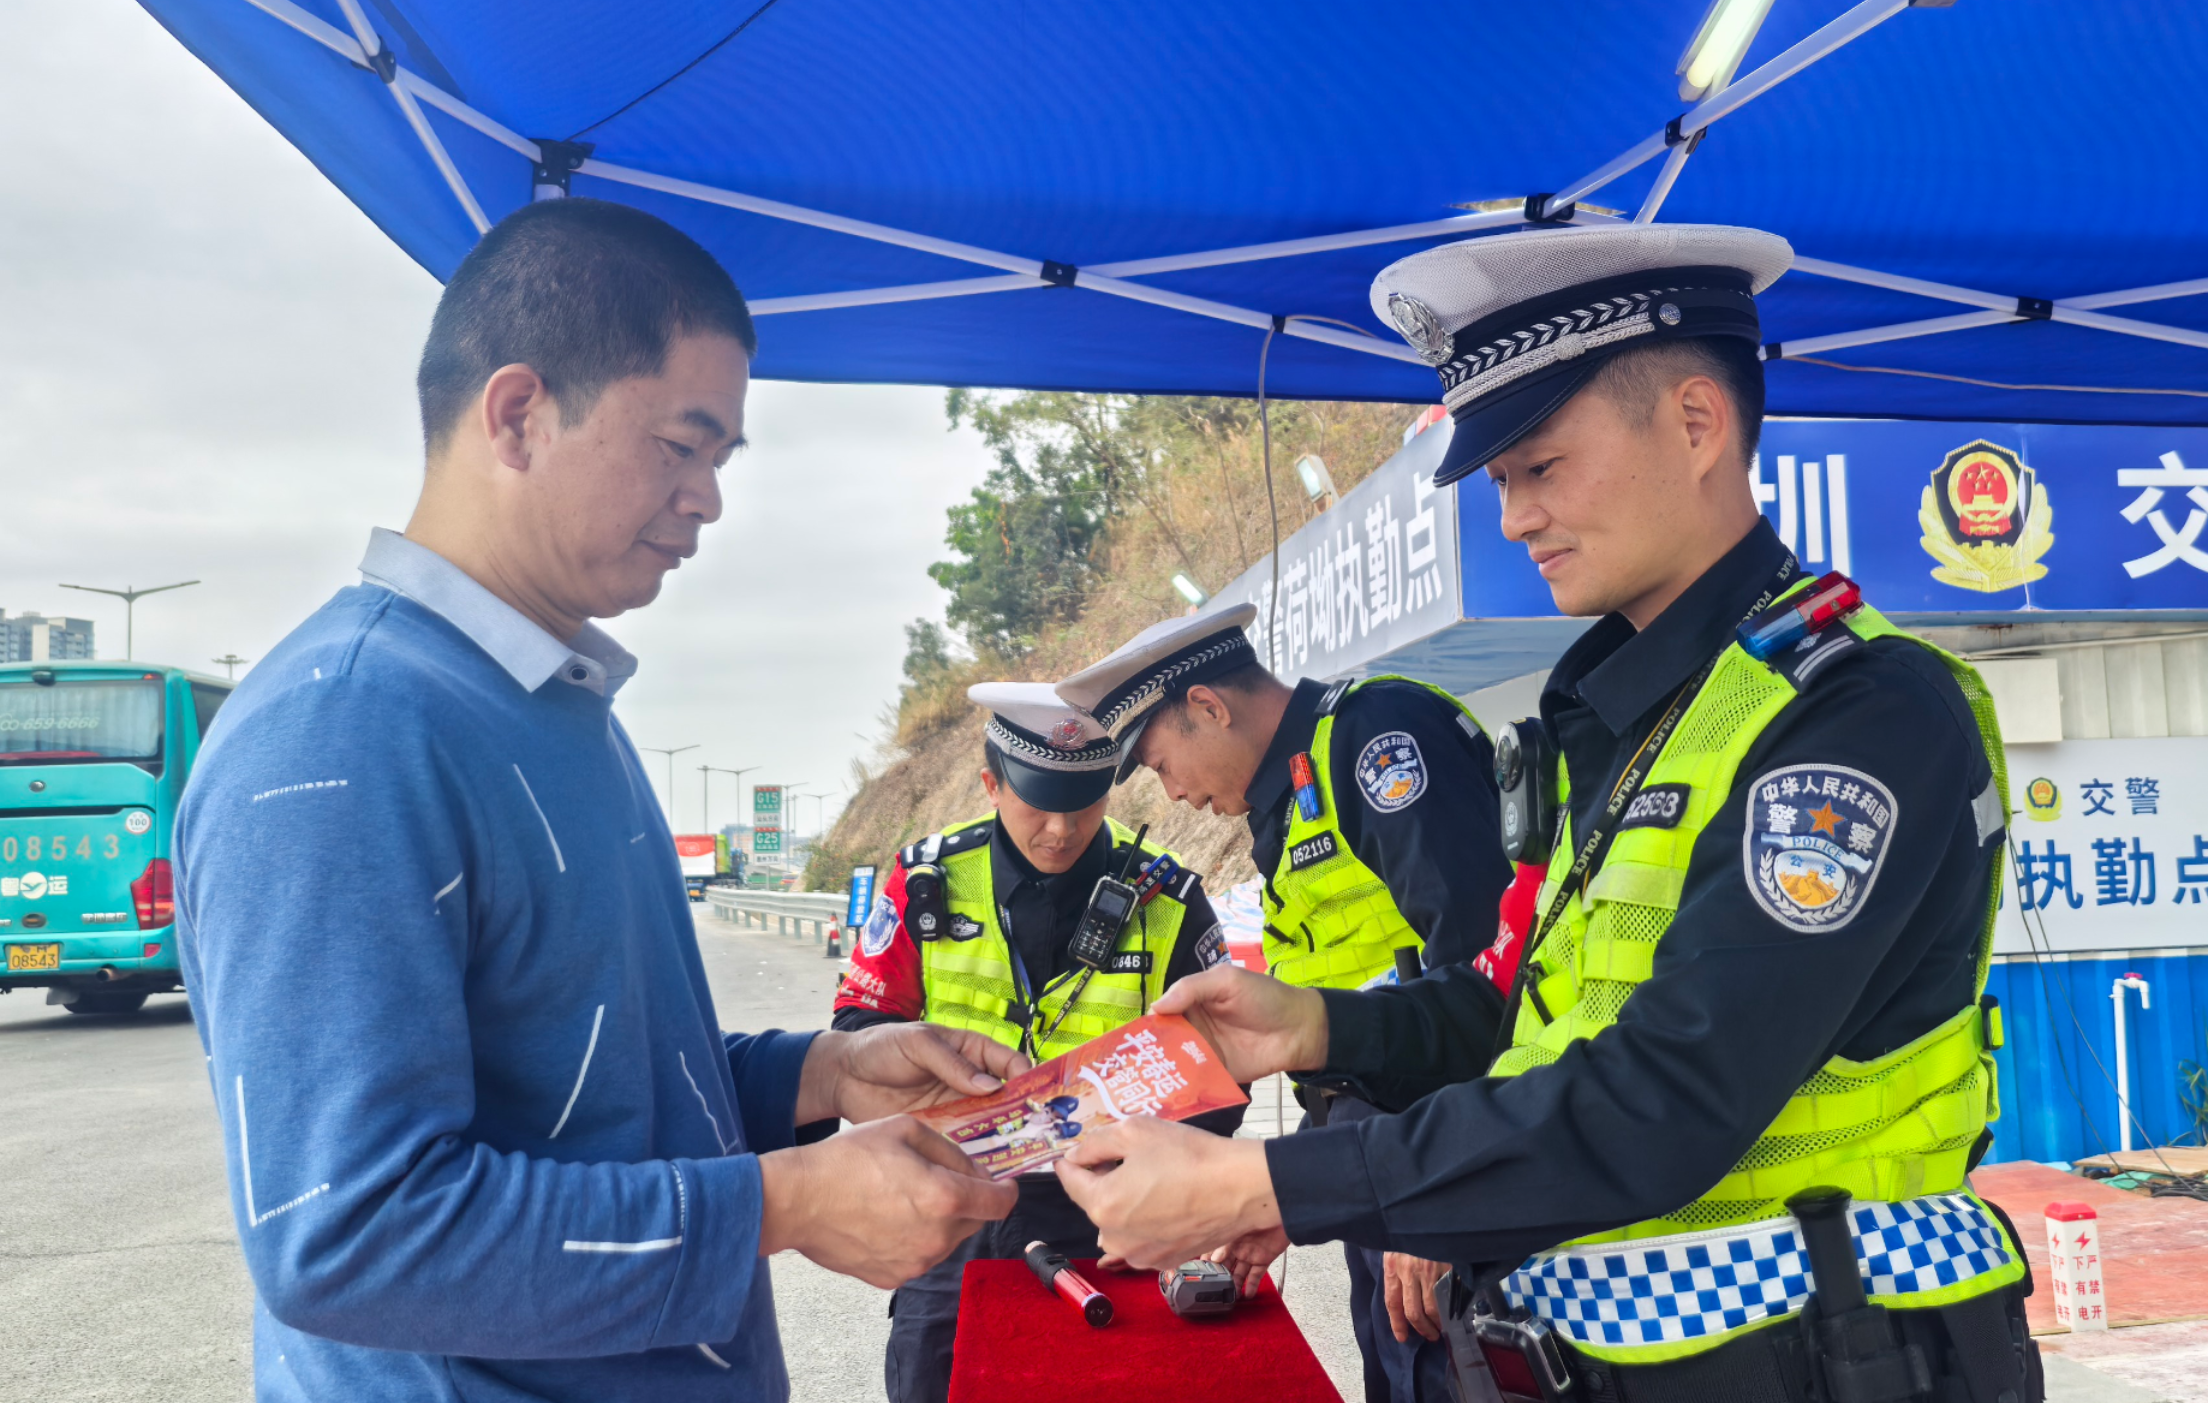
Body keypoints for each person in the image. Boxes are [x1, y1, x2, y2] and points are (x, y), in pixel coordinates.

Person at [1059, 223, 2041, 1403]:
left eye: (1540, 465)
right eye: (1503, 481)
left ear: (1695, 423)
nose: (1516, 517)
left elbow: (1668, 1091)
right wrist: (1315, 1029)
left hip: (1823, 1355)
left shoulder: (1859, 716)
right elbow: (1539, 1013)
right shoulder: (1639, 711)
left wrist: (1269, 1182)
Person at [174, 198, 1022, 1403]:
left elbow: (591, 1084)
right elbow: (350, 1231)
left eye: (721, 461)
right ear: (518, 413)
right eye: (681, 445)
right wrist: (782, 1203)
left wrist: (819, 1074)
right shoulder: (342, 735)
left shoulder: (557, 703)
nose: (708, 500)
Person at [1055, 604, 1516, 1403]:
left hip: (1440, 1149)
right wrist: (1289, 1197)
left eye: (1163, 765)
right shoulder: (1290, 794)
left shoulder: (1376, 740)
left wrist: (1445, 1195)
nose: (1174, 796)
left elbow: (1490, 985)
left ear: (1208, 706)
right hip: (1376, 1150)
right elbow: (1348, 1035)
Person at [832, 681, 1239, 1403]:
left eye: (1081, 805)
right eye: (1037, 804)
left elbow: (1220, 1072)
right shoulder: (923, 879)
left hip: (1112, 1218)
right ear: (992, 783)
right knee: (934, 1380)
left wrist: (1152, 1178)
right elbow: (858, 1035)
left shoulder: (1168, 898)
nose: (1059, 828)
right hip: (954, 1207)